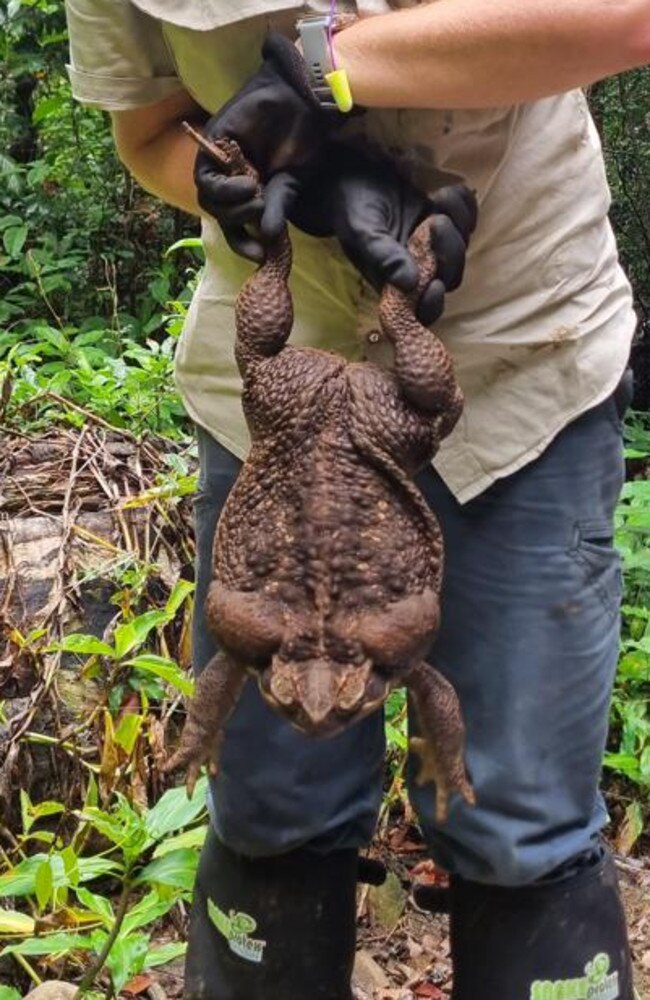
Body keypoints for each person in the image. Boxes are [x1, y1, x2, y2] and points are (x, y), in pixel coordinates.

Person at [63, 2, 648, 998]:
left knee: (520, 820)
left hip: (520, 354)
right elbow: (150, 135)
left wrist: (323, 70)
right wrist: (246, 192)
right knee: (270, 814)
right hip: (277, 399)